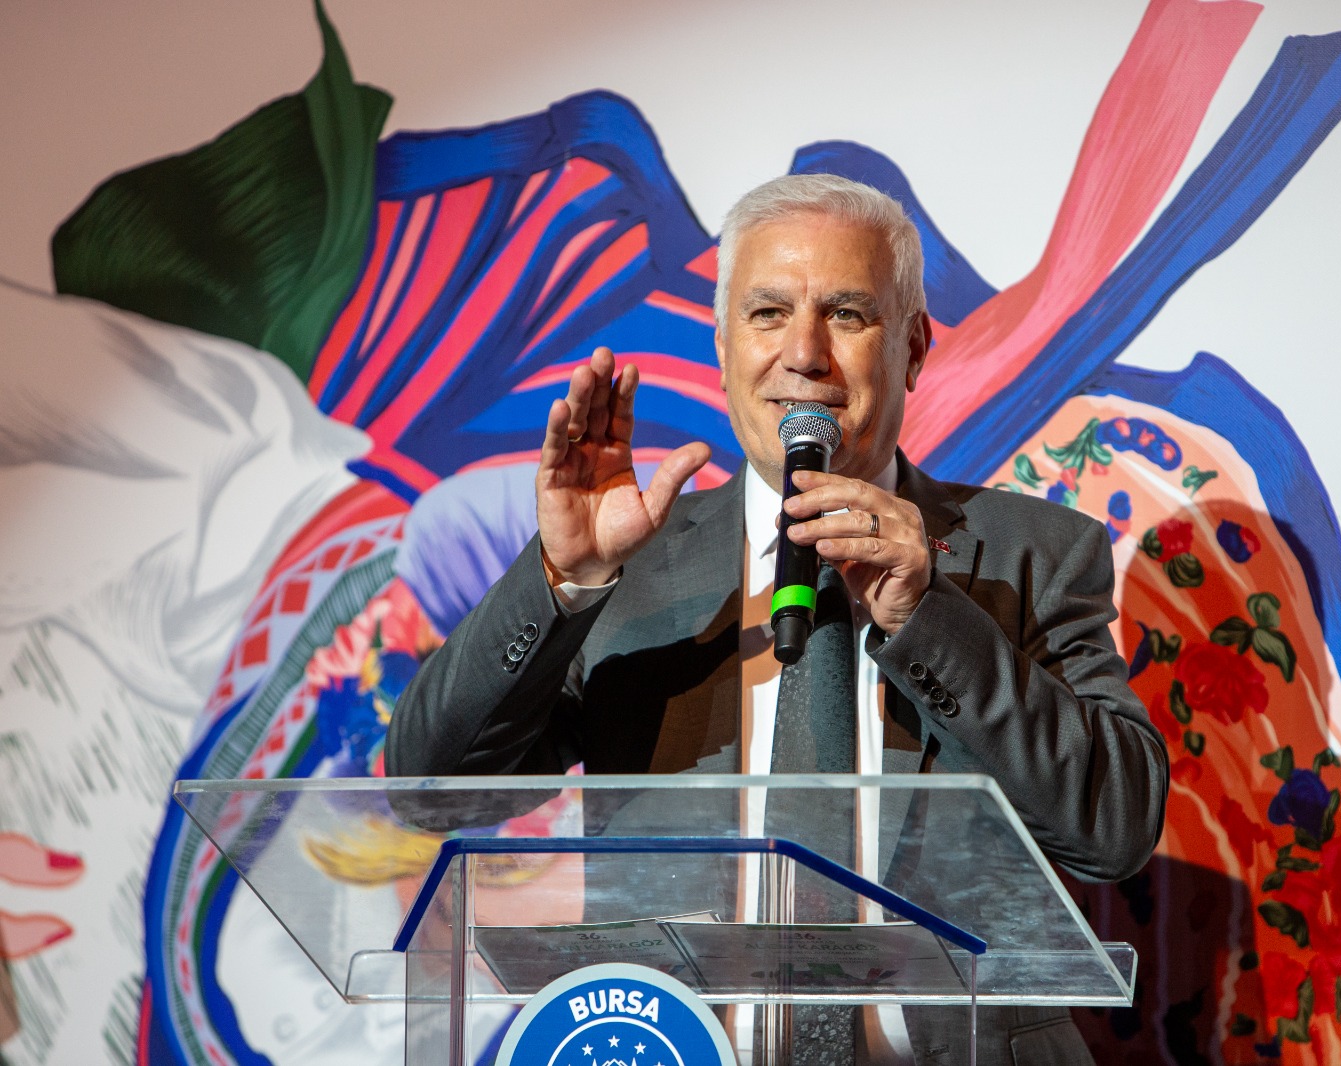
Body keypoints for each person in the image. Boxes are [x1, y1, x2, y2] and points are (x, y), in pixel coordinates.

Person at [387, 174, 1168, 1064]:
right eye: (767, 313)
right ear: (724, 347)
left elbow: (1115, 826)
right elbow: (429, 789)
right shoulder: (629, 566)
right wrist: (564, 578)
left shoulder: (1032, 553)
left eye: (846, 313)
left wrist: (929, 617)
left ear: (913, 348)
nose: (804, 353)